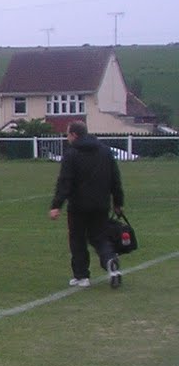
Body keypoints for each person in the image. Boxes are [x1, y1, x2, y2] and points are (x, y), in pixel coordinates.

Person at [49, 119, 126, 289]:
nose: (67, 138)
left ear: (74, 135)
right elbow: (115, 179)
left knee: (77, 239)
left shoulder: (71, 154)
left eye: (68, 134)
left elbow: (65, 181)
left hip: (78, 206)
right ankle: (110, 261)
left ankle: (81, 276)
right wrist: (118, 202)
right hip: (101, 204)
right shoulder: (105, 151)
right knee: (99, 237)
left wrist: (56, 205)